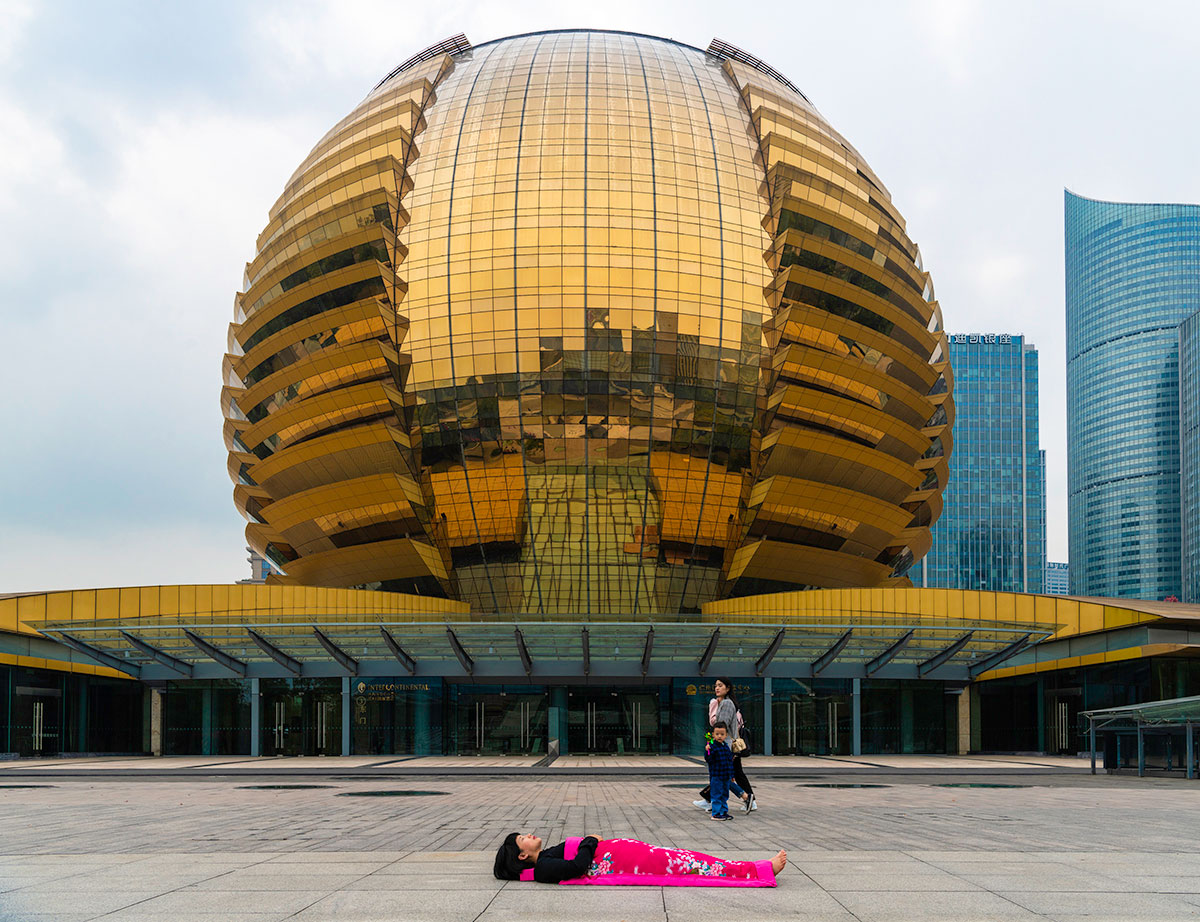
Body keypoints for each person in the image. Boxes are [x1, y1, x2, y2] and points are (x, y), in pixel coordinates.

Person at [493, 831, 786, 886]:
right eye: (523, 838)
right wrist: (590, 841)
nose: (530, 834)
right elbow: (577, 868)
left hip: (627, 854)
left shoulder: (543, 857)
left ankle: (753, 867)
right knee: (693, 865)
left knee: (691, 859)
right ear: (522, 855)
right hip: (627, 861)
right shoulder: (543, 867)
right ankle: (759, 870)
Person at [694, 677, 757, 813]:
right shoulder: (723, 703)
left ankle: (746, 797)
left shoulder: (727, 703)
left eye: (720, 685)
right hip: (723, 744)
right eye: (716, 685)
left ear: (727, 688)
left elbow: (720, 727)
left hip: (725, 745)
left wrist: (711, 743)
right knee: (723, 775)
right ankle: (711, 800)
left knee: (721, 776)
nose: (717, 688)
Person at [704, 721, 743, 820]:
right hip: (716, 776)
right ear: (713, 735)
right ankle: (716, 813)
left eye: (722, 734)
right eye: (717, 734)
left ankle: (723, 811)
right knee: (717, 794)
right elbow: (709, 759)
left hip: (726, 776)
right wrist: (707, 751)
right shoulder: (712, 746)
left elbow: (729, 762)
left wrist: (732, 775)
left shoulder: (725, 746)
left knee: (725, 795)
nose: (719, 736)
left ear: (726, 735)